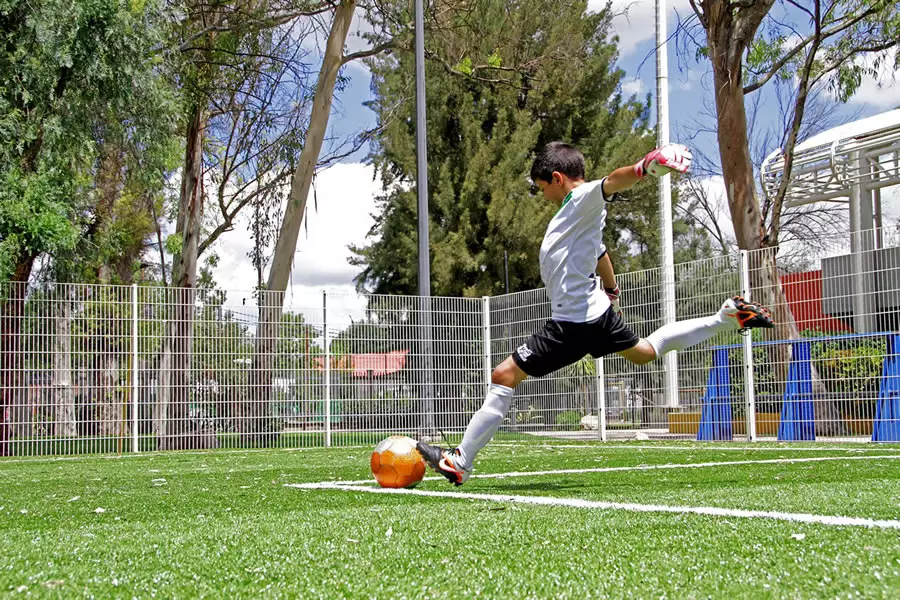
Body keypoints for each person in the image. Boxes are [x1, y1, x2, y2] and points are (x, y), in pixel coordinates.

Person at [416, 141, 774, 485]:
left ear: (557, 178)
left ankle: (460, 462)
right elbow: (600, 252)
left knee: (504, 375)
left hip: (572, 322)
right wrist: (612, 288)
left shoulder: (580, 198)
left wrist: (646, 165)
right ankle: (725, 317)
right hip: (594, 313)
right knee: (645, 352)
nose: (543, 196)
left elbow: (613, 181)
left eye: (542, 188)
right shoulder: (577, 218)